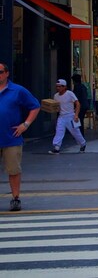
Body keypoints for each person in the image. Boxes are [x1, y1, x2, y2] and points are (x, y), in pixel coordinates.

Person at [0, 62, 41, 211]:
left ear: (7, 73)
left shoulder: (17, 90)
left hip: (11, 138)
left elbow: (35, 106)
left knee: (13, 170)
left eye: (0, 72)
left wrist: (26, 124)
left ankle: (16, 198)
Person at [48, 79, 87, 155]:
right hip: (61, 116)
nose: (58, 88)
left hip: (70, 116)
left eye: (59, 86)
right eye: (57, 86)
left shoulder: (70, 94)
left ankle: (83, 144)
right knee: (59, 131)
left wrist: (76, 115)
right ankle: (56, 147)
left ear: (64, 87)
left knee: (75, 132)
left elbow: (78, 104)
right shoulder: (56, 96)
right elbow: (57, 107)